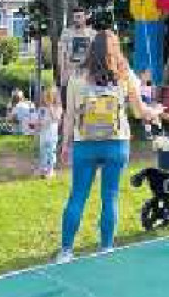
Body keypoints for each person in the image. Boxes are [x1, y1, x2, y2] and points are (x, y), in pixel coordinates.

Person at [57, 30, 161, 263]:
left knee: (77, 196)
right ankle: (105, 247)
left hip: (85, 144)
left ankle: (65, 251)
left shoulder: (77, 77)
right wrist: (156, 112)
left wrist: (65, 145)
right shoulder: (125, 75)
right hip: (116, 144)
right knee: (110, 197)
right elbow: (140, 112)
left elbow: (70, 115)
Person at [58, 7, 97, 101]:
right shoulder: (66, 33)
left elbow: (95, 56)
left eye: (79, 17)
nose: (76, 20)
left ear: (85, 17)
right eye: (74, 17)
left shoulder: (92, 34)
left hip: (86, 77)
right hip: (70, 76)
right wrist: (61, 76)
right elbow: (61, 55)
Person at [33, 89, 63, 179]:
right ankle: (43, 169)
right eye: (45, 97)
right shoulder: (42, 109)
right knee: (43, 152)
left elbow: (56, 118)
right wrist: (36, 127)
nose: (46, 99)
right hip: (43, 134)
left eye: (48, 97)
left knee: (51, 152)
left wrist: (50, 107)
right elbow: (38, 119)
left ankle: (51, 170)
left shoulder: (58, 108)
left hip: (52, 135)